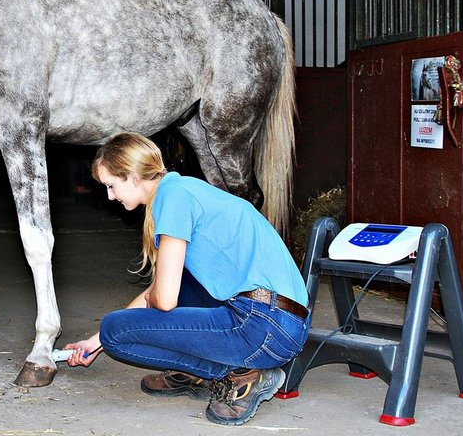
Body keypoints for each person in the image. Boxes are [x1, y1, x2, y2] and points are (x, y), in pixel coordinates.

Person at [64, 132, 309, 427]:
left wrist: (107, 336)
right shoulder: (184, 189)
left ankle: (241, 374)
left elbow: (163, 300)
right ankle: (198, 373)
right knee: (180, 289)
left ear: (133, 176)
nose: (110, 196)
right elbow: (157, 291)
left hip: (263, 326)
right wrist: (92, 344)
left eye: (111, 186)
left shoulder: (174, 199)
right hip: (281, 324)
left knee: (115, 330)